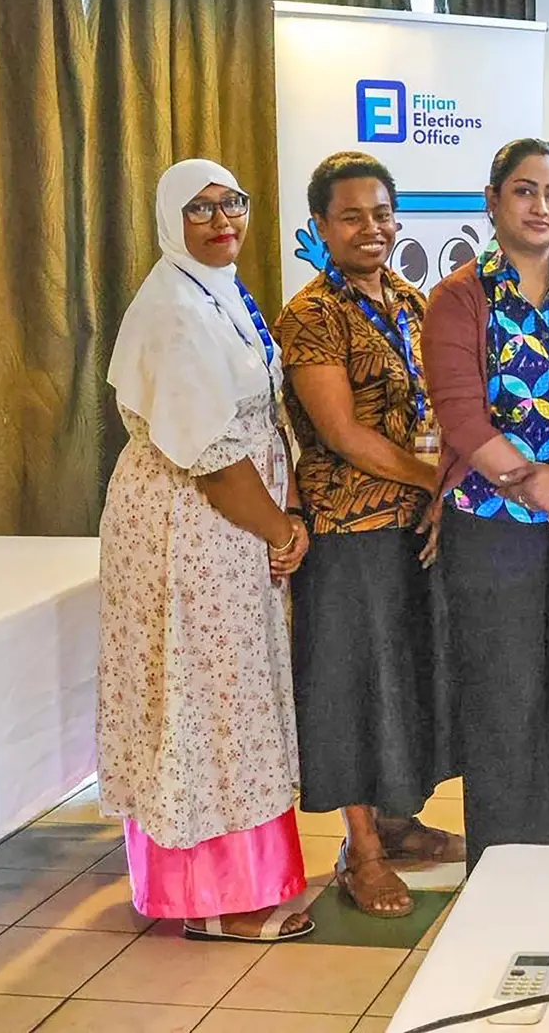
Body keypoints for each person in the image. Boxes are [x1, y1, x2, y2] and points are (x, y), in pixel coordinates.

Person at [97, 159, 312, 941]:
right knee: (201, 696)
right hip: (190, 527)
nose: (223, 220)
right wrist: (282, 529)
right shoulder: (173, 311)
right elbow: (214, 457)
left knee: (233, 697)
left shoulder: (213, 289)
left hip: (231, 522)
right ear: (169, 218)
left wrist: (280, 513)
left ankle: (250, 875)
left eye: (234, 203)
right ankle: (211, 896)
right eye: (201, 208)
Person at [423, 138, 549, 858]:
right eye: (524, 191)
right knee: (503, 695)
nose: (542, 207)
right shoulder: (458, 296)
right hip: (493, 530)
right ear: (492, 200)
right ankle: (504, 866)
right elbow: (462, 417)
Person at [277, 151, 462, 919]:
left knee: (406, 678)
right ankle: (363, 849)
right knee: (353, 685)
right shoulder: (310, 315)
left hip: (413, 528)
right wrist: (433, 484)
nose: (372, 228)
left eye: (383, 213)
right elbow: (343, 432)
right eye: (351, 215)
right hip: (348, 530)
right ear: (320, 225)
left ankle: (398, 817)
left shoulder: (416, 304)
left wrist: (445, 491)